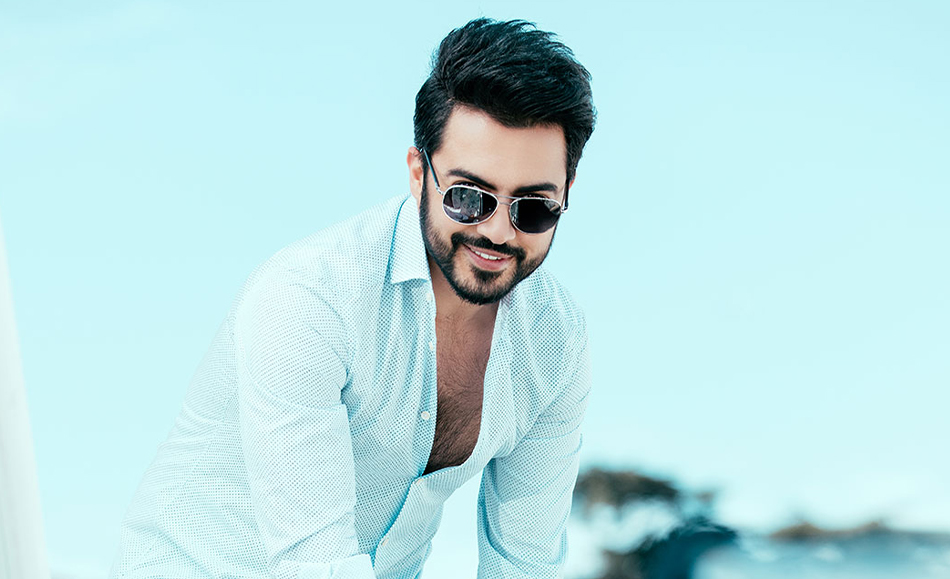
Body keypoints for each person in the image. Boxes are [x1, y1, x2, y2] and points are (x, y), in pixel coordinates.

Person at [111, 17, 595, 579]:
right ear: (418, 173)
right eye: (468, 197)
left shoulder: (555, 341)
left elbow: (527, 565)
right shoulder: (309, 300)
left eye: (533, 208)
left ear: (566, 195)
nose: (497, 232)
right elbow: (317, 566)